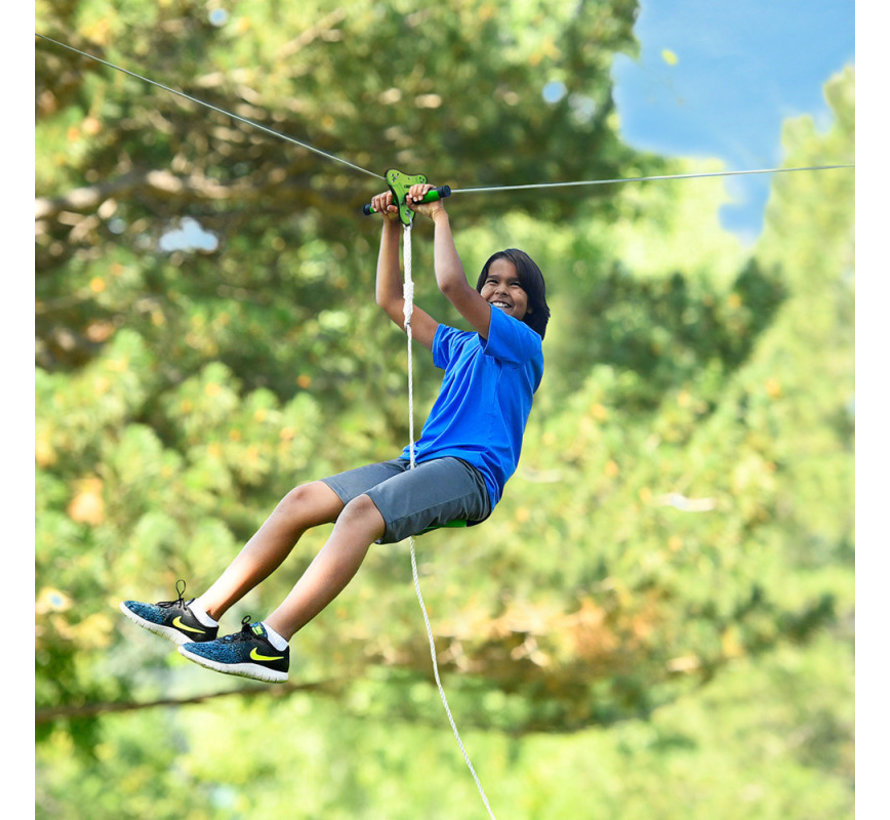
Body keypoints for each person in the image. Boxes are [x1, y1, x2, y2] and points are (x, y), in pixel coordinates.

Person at [120, 182, 550, 683]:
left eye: (514, 284)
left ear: (531, 304)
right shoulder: (459, 346)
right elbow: (391, 300)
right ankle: (201, 617)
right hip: (419, 461)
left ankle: (271, 642)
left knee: (360, 513)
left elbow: (453, 285)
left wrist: (439, 217)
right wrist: (392, 225)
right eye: (492, 280)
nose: (500, 289)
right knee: (302, 500)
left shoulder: (523, 345)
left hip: (469, 476)